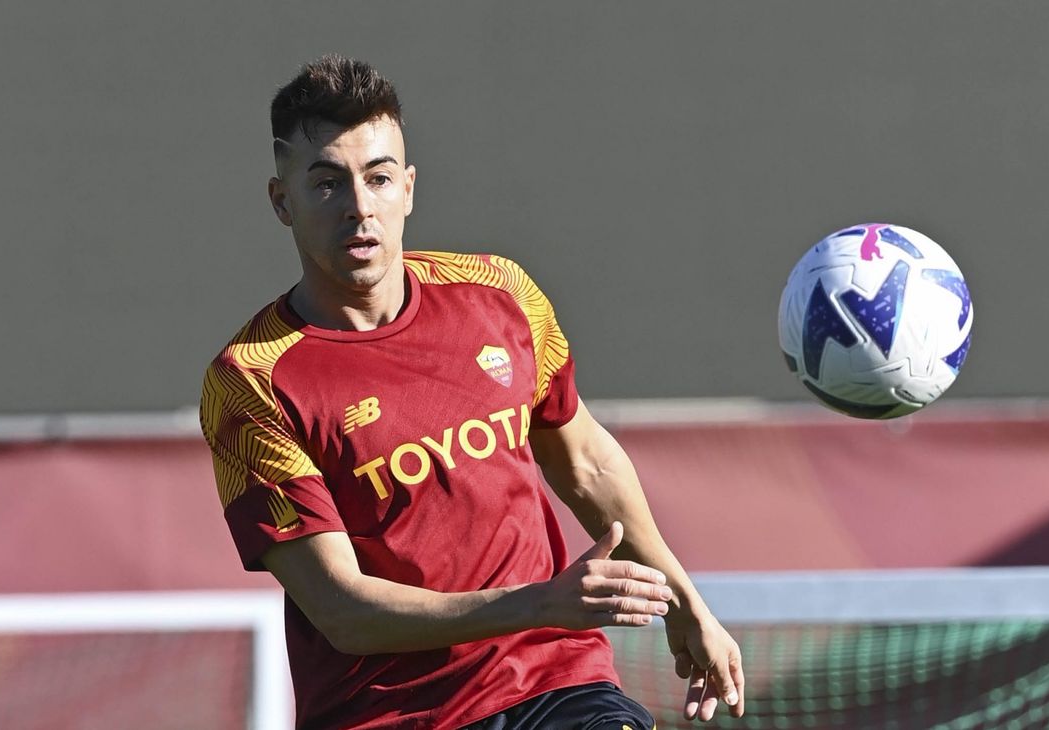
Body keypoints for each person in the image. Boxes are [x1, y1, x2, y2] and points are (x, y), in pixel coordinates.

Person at [200, 54, 744, 730]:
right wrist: (541, 601)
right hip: (387, 715)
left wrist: (687, 602)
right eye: (328, 184)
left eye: (378, 177)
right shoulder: (251, 381)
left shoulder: (500, 293)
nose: (360, 206)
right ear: (283, 203)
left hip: (556, 682)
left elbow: (585, 462)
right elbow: (341, 611)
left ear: (409, 188)